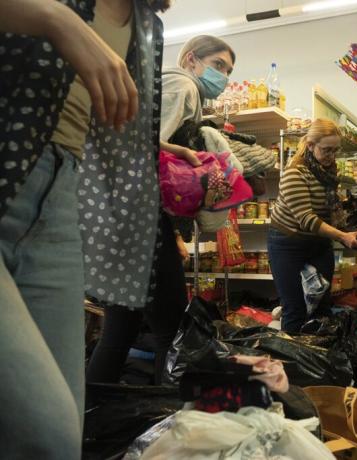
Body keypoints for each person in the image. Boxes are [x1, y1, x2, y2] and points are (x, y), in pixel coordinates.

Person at [0, 0, 168, 457]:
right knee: (44, 432)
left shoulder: (147, 24)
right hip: (11, 165)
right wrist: (55, 19)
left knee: (65, 433)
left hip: (57, 201)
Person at [85, 34, 236, 386]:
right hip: (138, 217)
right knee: (171, 325)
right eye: (217, 65)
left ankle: (94, 415)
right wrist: (192, 163)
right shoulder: (181, 86)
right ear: (191, 60)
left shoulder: (170, 86)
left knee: (122, 326)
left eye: (228, 70)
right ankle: (165, 420)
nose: (223, 76)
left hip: (121, 216)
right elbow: (141, 148)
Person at [268, 119, 357, 333]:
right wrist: (342, 237)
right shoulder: (295, 173)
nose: (331, 156)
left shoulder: (329, 172)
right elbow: (307, 219)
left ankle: (319, 358)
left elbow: (332, 211)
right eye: (326, 150)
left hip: (318, 243)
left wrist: (354, 230)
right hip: (287, 243)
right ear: (310, 145)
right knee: (295, 308)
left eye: (335, 150)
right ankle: (294, 362)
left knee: (322, 305)